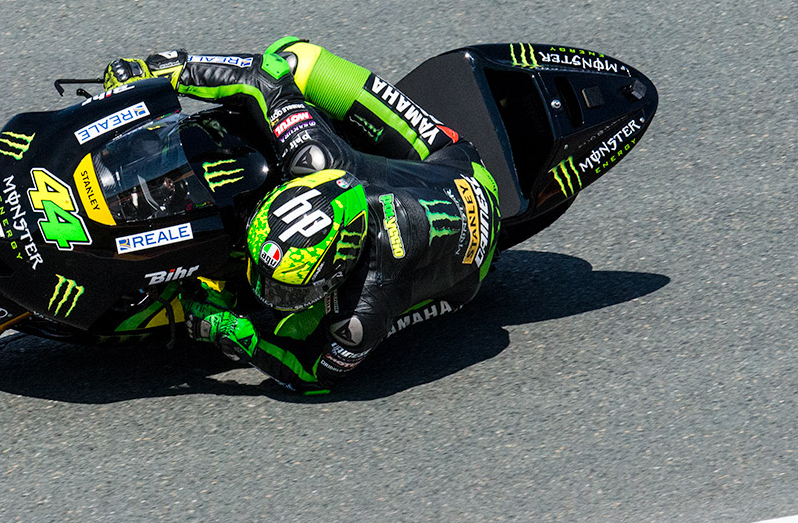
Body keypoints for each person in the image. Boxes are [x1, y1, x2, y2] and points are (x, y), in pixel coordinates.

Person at [103, 37, 501, 394]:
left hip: (466, 243)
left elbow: (314, 378)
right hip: (439, 175)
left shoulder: (360, 315)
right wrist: (162, 71)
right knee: (294, 58)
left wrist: (244, 337)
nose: (268, 293)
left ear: (339, 268)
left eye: (286, 289)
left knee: (292, 329)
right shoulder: (317, 158)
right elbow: (265, 74)